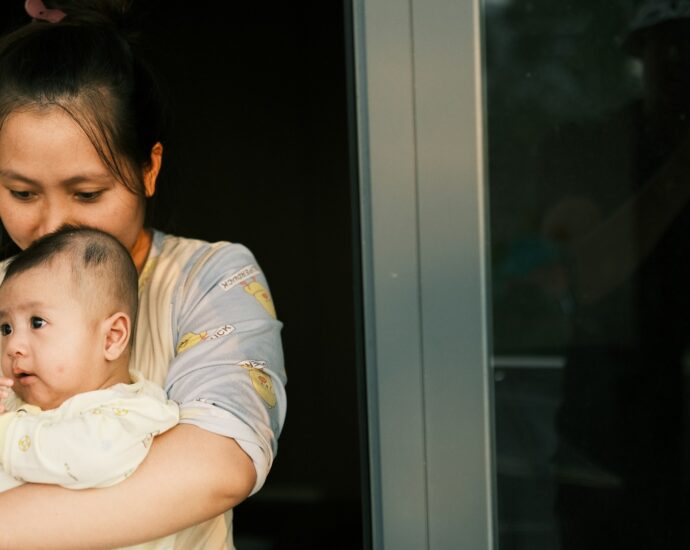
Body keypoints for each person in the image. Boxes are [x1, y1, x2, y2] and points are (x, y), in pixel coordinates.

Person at [0, 1, 287, 548]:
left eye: (87, 193)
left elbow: (218, 466)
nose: (52, 223)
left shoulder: (208, 279)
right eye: (21, 192)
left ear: (148, 168)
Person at [0, 227, 181, 549]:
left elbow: (88, 458)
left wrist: (4, 427)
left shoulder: (132, 412)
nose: (13, 344)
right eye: (5, 327)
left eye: (37, 322)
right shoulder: (18, 407)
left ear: (111, 338)